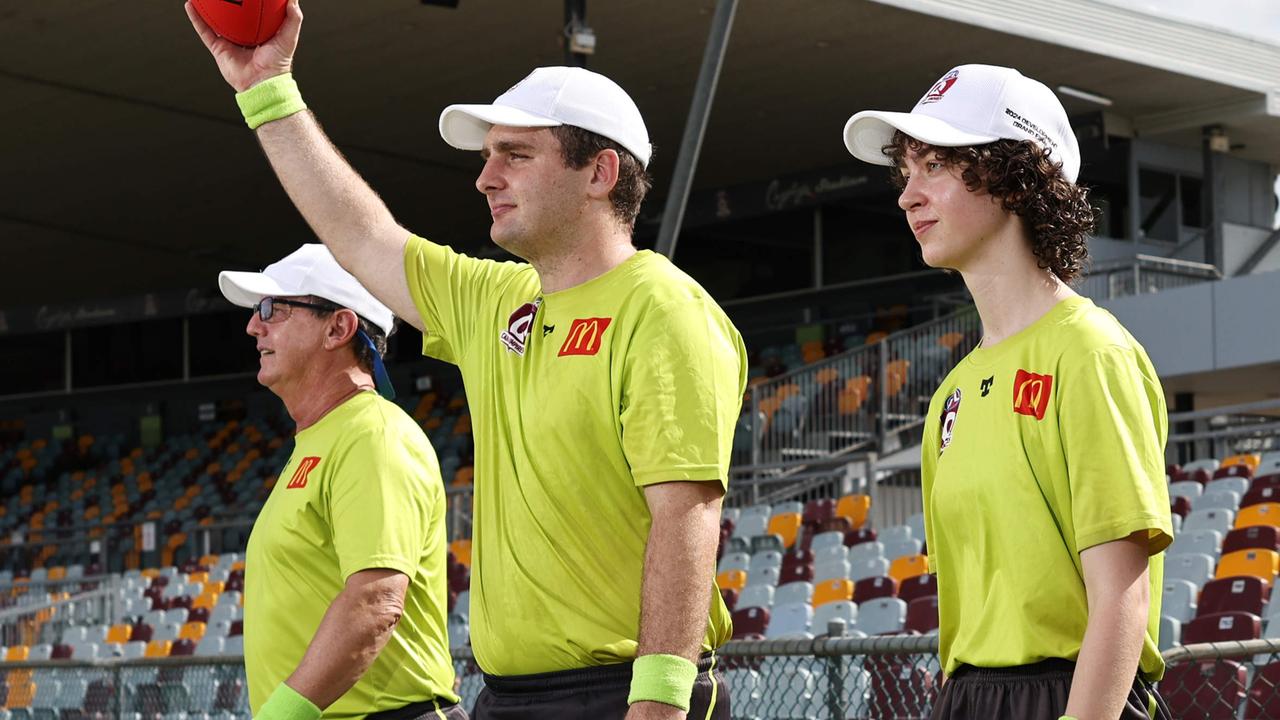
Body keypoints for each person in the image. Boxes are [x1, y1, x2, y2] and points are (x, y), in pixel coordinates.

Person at [187, 3, 746, 719]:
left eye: (515, 154)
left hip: (625, 696)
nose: (486, 177)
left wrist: (660, 703)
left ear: (600, 171)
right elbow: (359, 235)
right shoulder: (500, 303)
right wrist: (267, 90)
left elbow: (686, 514)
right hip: (509, 697)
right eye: (487, 157)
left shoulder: (663, 308)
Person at [843, 64, 1174, 720]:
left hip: (1071, 696)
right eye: (905, 172)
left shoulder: (1090, 352)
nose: (908, 195)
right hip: (968, 697)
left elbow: (1120, 602)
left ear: (1015, 177)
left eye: (934, 165)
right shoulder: (952, 393)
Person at [218, 244, 465, 720]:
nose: (254, 326)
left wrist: (282, 714)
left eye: (274, 308)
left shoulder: (371, 434)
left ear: (339, 328)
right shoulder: (326, 438)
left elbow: (376, 600)